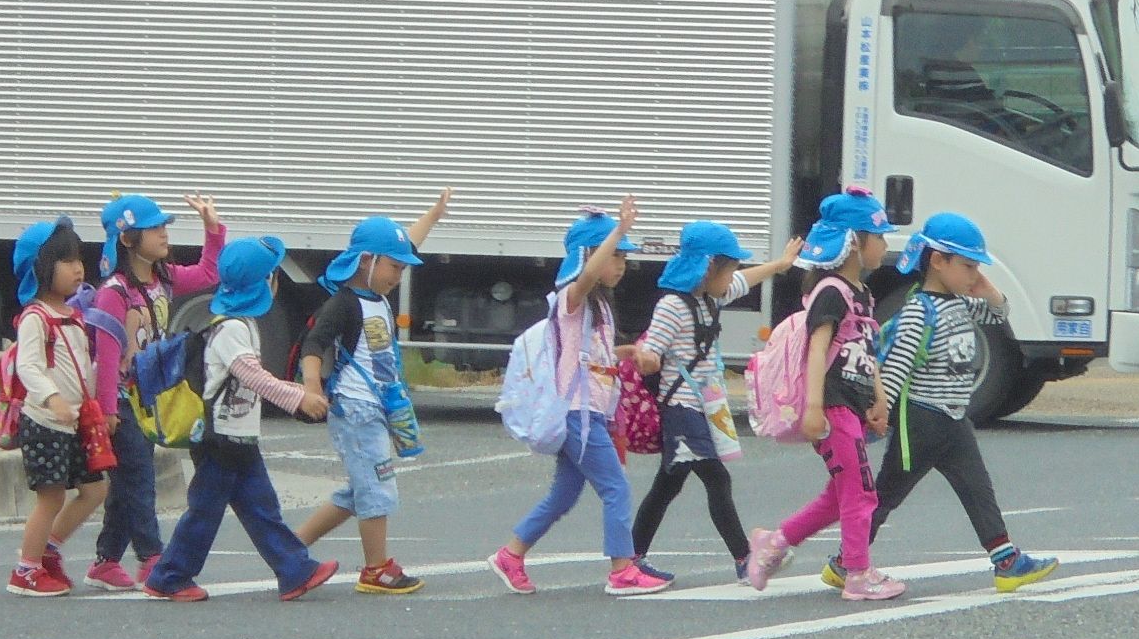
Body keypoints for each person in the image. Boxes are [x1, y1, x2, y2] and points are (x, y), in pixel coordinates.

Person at [820, 212, 1060, 595]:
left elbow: (1000, 313)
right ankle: (844, 562)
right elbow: (896, 366)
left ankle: (1006, 560)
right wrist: (881, 412)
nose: (972, 274)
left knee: (978, 489)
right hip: (921, 421)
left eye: (976, 266)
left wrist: (984, 286)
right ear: (937, 261)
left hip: (953, 418)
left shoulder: (961, 304)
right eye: (966, 265)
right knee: (886, 495)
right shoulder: (919, 311)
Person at [142, 235, 339, 604]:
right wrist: (299, 397)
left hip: (236, 437)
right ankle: (169, 576)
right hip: (220, 439)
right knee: (206, 513)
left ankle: (294, 569)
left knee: (260, 507)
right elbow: (254, 377)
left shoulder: (241, 323)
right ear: (265, 283)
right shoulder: (231, 328)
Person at [742, 190, 904, 602]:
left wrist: (879, 397)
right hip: (832, 409)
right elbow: (817, 350)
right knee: (860, 493)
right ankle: (858, 574)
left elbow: (866, 352)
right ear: (853, 241)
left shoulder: (860, 294)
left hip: (852, 405)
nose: (884, 245)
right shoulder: (831, 292)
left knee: (841, 495)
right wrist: (814, 408)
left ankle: (774, 543)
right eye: (878, 236)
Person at [625, 219, 801, 591]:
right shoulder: (672, 306)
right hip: (682, 408)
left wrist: (780, 265)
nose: (734, 275)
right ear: (709, 267)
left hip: (705, 406)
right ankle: (743, 559)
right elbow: (651, 354)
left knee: (667, 486)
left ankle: (631, 556)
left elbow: (745, 281)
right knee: (715, 478)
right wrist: (645, 357)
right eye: (730, 266)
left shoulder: (710, 297)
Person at [488, 197, 650, 597]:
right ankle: (622, 569)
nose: (620, 265)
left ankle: (512, 554)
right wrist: (618, 232)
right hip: (578, 413)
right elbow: (587, 275)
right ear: (590, 257)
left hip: (589, 412)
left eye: (623, 258)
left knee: (564, 494)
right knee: (616, 487)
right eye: (615, 257)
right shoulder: (571, 299)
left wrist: (624, 354)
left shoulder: (600, 309)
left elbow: (593, 356)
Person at [294, 193, 451, 595]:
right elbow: (314, 345)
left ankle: (289, 549)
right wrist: (311, 388)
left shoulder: (376, 296)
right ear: (367, 261)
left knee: (357, 491)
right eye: (394, 267)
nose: (399, 274)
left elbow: (407, 242)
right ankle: (375, 569)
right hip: (356, 408)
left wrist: (432, 213)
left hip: (376, 406)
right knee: (377, 487)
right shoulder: (344, 304)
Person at [82, 192, 225, 591]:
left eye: (165, 226)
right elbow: (107, 356)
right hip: (122, 401)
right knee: (140, 476)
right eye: (156, 228)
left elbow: (209, 274)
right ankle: (153, 558)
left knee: (130, 480)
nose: (165, 233)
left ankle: (106, 561)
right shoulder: (115, 292)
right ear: (128, 240)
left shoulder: (163, 278)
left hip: (145, 400)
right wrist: (107, 408)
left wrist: (212, 229)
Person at [8, 217, 109, 596]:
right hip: (46, 420)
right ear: (41, 268)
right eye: (65, 260)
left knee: (95, 490)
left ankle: (47, 550)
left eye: (78, 258)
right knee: (50, 497)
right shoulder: (36, 317)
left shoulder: (74, 316)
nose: (78, 267)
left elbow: (84, 368)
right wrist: (53, 398)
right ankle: (26, 569)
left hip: (75, 420)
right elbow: (28, 365)